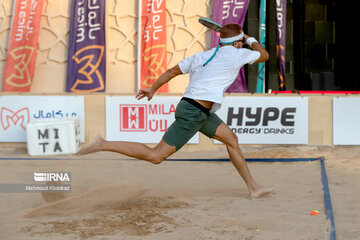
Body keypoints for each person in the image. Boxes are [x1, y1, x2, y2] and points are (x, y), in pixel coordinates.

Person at [79, 24, 274, 198]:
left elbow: (172, 71)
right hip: (194, 113)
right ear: (238, 42)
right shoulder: (239, 53)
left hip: (196, 110)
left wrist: (152, 88)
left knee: (231, 139)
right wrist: (249, 39)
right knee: (156, 156)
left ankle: (253, 187)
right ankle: (103, 144)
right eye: (241, 40)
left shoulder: (202, 55)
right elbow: (264, 55)